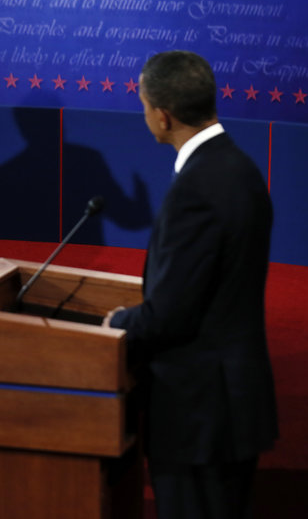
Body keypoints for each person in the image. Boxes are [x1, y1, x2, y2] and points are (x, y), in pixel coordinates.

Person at [102, 51, 278, 518]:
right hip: (231, 402)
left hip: (199, 415)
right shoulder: (241, 168)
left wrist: (118, 321)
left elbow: (170, 315)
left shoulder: (197, 190)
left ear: (163, 115)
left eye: (143, 106)